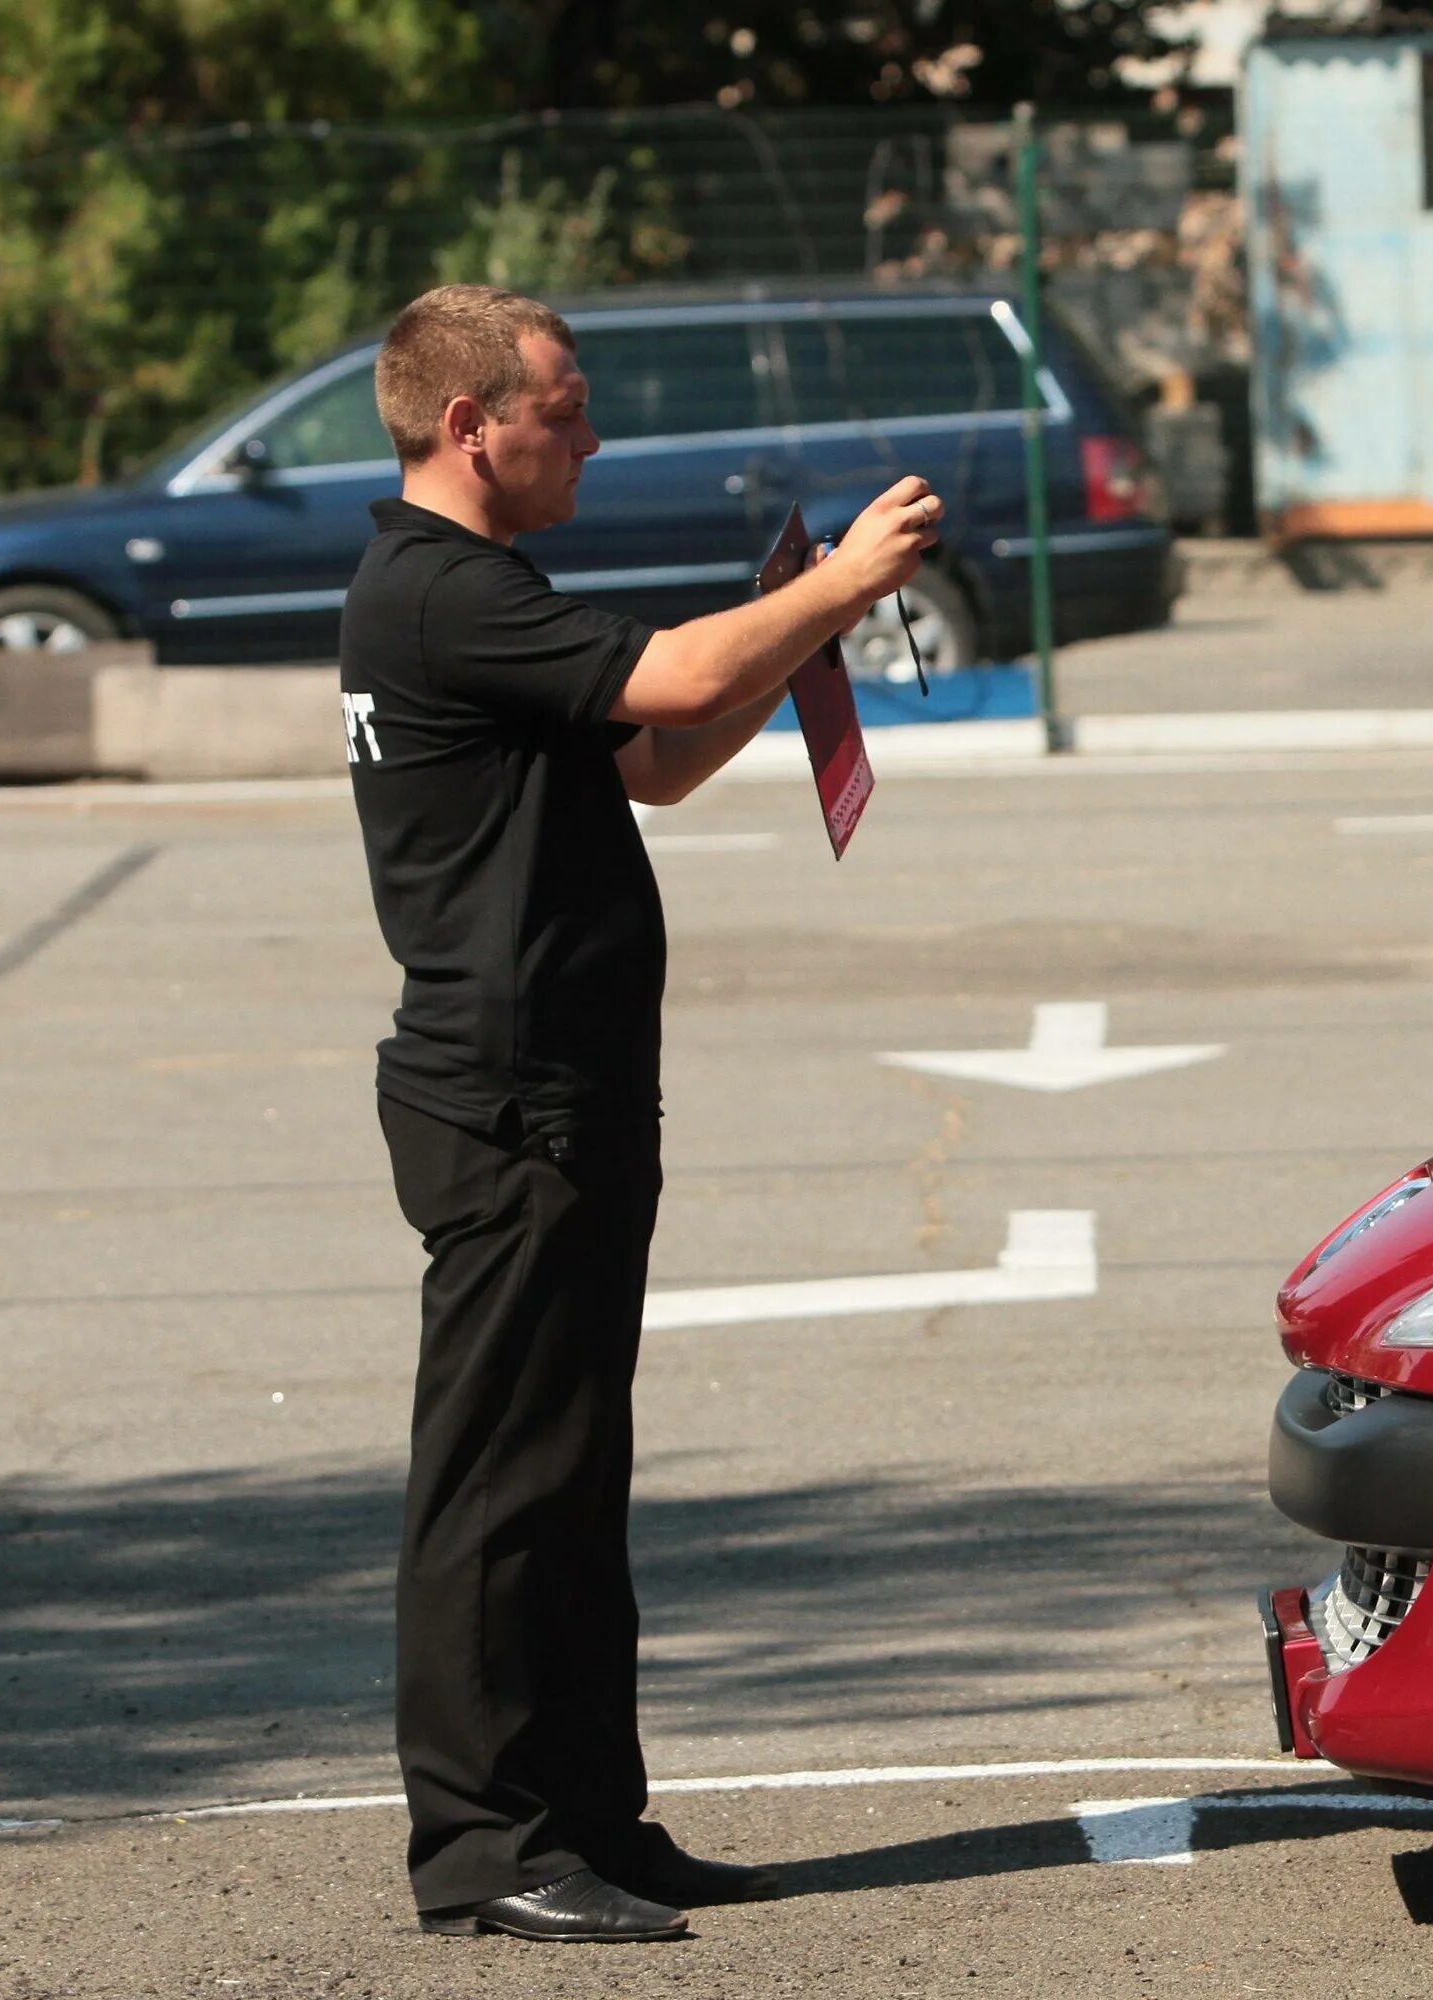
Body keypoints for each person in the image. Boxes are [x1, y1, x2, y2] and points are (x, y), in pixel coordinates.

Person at [339, 284, 938, 1943]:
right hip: (506, 1095)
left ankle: (588, 1818)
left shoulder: (479, 589)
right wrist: (836, 585)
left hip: (573, 1084)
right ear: (472, 425)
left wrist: (801, 633)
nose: (590, 438)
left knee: (572, 1476)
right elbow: (671, 675)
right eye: (566, 409)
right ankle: (485, 1848)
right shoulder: (438, 589)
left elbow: (658, 756)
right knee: (496, 1487)